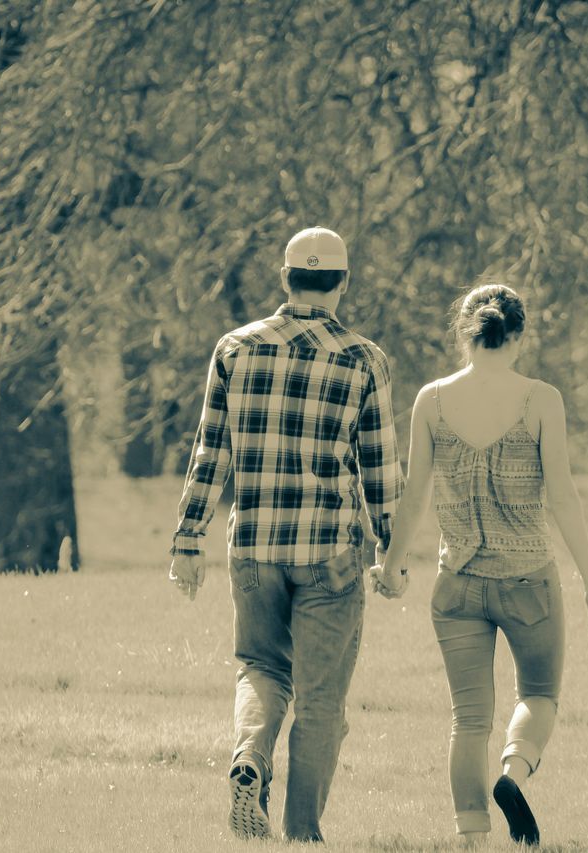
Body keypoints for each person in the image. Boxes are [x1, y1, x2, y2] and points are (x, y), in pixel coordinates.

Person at [167, 226, 403, 843]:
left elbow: (209, 453)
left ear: (285, 278)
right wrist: (393, 551)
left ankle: (250, 757)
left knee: (260, 668)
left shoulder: (235, 349)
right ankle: (303, 835)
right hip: (331, 552)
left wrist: (187, 541)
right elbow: (380, 469)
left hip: (253, 547)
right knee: (321, 701)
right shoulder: (363, 359)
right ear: (343, 283)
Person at [369, 283, 588, 847]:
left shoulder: (431, 399)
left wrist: (391, 566)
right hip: (529, 579)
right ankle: (514, 774)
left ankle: (471, 838)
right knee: (539, 696)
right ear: (520, 336)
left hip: (456, 585)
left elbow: (414, 495)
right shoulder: (540, 400)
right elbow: (562, 497)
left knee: (468, 719)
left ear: (466, 333)